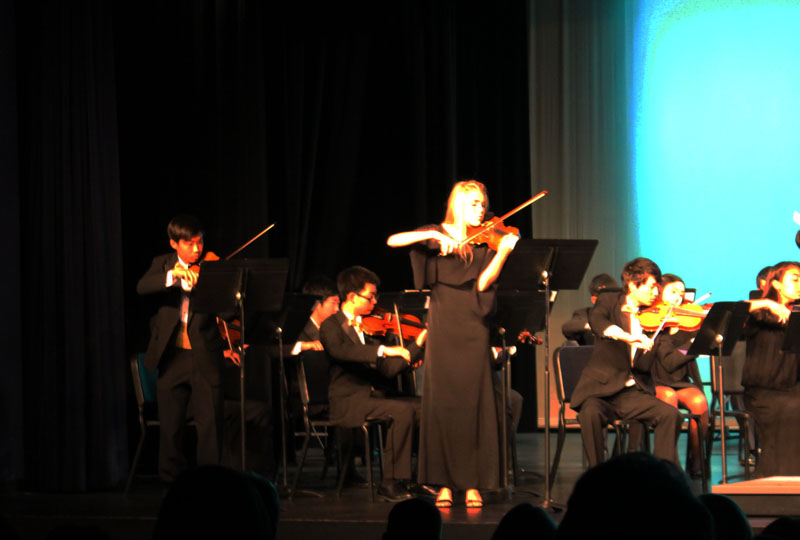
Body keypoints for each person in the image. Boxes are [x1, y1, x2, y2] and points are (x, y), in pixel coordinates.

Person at [387, 180, 519, 508]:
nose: (480, 210)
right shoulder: (437, 233)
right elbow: (393, 240)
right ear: (458, 204)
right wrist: (431, 236)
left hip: (473, 322)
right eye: (473, 204)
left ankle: (472, 484)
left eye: (482, 204)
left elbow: (484, 283)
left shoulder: (489, 239)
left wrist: (501, 254)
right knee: (442, 404)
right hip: (443, 322)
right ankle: (443, 483)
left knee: (475, 402)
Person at [137, 215, 237, 483]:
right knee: (171, 424)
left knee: (210, 423)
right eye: (189, 244)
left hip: (205, 354)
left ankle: (210, 480)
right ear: (174, 243)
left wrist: (214, 288)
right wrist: (172, 276)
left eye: (200, 242)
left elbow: (229, 314)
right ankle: (171, 480)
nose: (196, 249)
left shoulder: (210, 268)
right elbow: (142, 287)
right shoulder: (163, 264)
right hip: (172, 356)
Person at [319, 265, 426, 502]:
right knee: (403, 410)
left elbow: (388, 370)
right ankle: (390, 483)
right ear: (351, 296)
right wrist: (384, 349)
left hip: (376, 397)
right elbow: (343, 352)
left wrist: (417, 345)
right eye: (370, 296)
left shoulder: (371, 326)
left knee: (427, 407)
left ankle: (420, 477)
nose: (375, 301)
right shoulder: (331, 326)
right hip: (349, 401)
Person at [569, 257, 682, 467]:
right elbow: (598, 321)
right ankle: (597, 476)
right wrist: (626, 336)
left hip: (632, 392)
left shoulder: (658, 316)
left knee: (671, 415)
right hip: (600, 389)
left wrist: (694, 343)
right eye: (651, 287)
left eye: (658, 288)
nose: (656, 293)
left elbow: (669, 360)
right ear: (632, 285)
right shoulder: (610, 300)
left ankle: (663, 477)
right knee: (590, 414)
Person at [742, 261, 800, 476]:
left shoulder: (798, 311)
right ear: (776, 283)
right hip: (762, 392)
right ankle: (776, 481)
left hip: (791, 387)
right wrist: (766, 304)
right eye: (794, 279)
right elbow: (731, 311)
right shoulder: (760, 313)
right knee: (794, 409)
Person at [649, 274, 708, 477]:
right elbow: (669, 361)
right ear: (659, 293)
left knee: (699, 401)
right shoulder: (651, 323)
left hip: (679, 380)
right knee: (668, 397)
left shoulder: (688, 325)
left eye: (681, 293)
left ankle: (696, 464)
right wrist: (690, 345)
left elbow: (677, 362)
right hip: (653, 381)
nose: (678, 298)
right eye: (673, 292)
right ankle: (670, 464)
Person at [561, 273, 619, 345]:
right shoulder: (585, 313)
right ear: (594, 300)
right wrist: (594, 325)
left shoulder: (621, 314)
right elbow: (567, 327)